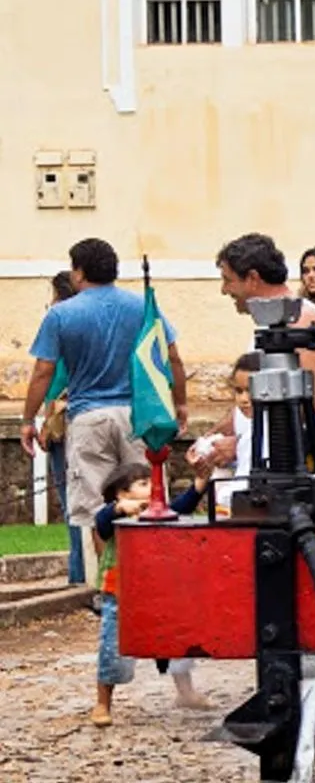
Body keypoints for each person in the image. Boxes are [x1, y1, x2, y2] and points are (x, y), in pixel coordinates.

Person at [20, 239, 188, 585]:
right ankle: (154, 579)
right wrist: (180, 402)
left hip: (88, 416)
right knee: (148, 497)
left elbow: (43, 372)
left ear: (79, 271)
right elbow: (171, 357)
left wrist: (28, 418)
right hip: (137, 414)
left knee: (95, 508)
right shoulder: (142, 306)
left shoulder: (62, 314)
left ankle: (108, 585)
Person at [91, 460, 213, 726]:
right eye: (143, 484)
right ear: (122, 493)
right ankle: (103, 702)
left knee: (177, 644)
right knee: (112, 651)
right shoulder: (115, 516)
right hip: (120, 594)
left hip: (160, 592)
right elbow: (101, 522)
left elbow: (184, 506)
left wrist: (200, 482)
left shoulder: (162, 511)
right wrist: (119, 508)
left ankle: (185, 691)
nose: (152, 488)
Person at [216, 233, 315, 421]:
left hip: (295, 449)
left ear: (252, 278)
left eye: (228, 280)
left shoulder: (301, 319)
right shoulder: (273, 321)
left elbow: (307, 406)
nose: (224, 290)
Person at [37, 271, 87, 585]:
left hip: (67, 423)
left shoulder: (58, 325)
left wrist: (38, 423)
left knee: (73, 506)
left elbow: (48, 379)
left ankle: (78, 575)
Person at [189, 352, 259, 514]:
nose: (243, 399)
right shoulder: (247, 425)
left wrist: (221, 496)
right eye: (239, 391)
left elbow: (246, 483)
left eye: (250, 391)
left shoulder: (258, 433)